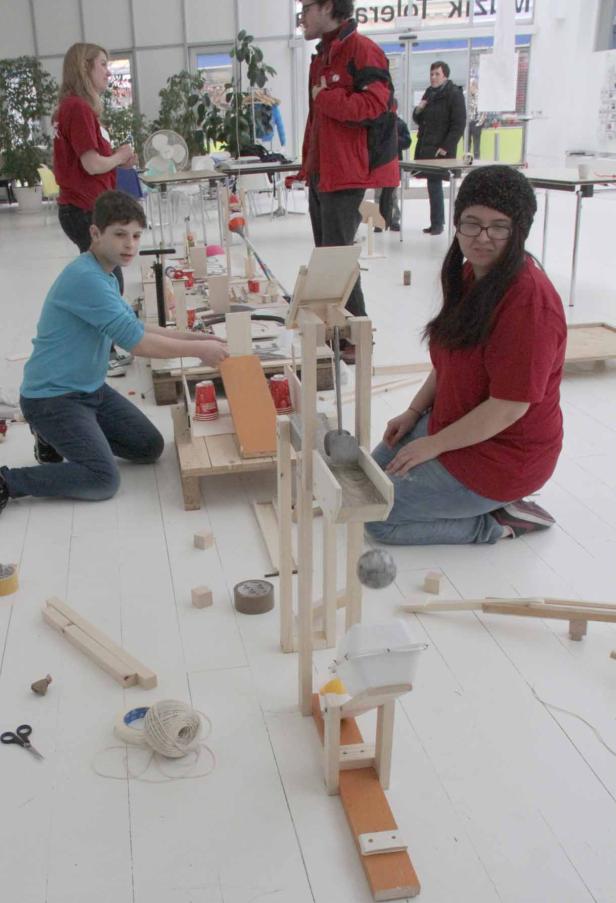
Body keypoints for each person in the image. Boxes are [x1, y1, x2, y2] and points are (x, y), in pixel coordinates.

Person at [365, 166, 567, 546]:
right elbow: (449, 360)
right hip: (455, 424)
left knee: (377, 518)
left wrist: (433, 444)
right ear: (457, 224)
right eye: (472, 224)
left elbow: (508, 408)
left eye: (499, 226)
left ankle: (500, 521)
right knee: (366, 484)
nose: (482, 238)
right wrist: (413, 412)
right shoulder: (471, 275)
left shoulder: (528, 303)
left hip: (504, 456)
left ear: (518, 230)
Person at [0, 191, 228, 516]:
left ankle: (60, 437)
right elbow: (137, 343)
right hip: (52, 399)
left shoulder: (104, 274)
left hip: (91, 390)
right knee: (102, 480)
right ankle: (9, 481)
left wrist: (196, 337)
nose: (130, 245)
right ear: (95, 233)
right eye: (120, 235)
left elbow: (136, 326)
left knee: (148, 446)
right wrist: (199, 351)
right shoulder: (86, 279)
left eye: (135, 236)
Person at [292, 0, 399, 364]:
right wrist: (308, 165)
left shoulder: (362, 49)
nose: (302, 17)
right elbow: (317, 122)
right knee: (328, 257)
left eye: (305, 8)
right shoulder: (323, 55)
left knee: (338, 258)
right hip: (324, 172)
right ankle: (339, 329)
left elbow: (375, 106)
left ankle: (357, 336)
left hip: (348, 174)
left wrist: (328, 97)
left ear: (327, 6)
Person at [53, 43, 137, 295]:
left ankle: (105, 332)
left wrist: (116, 160)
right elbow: (91, 165)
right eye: (103, 65)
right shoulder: (77, 108)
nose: (108, 73)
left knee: (104, 281)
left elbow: (87, 160)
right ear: (84, 67)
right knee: (109, 285)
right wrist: (119, 155)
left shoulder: (71, 107)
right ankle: (110, 332)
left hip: (83, 207)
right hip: (83, 208)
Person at [413, 61, 466, 236]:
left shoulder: (454, 94)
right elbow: (420, 119)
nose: (433, 77)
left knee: (436, 184)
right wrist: (418, 110)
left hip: (441, 149)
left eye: (437, 74)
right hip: (427, 146)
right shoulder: (430, 93)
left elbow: (458, 124)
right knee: (432, 184)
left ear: (445, 75)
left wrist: (446, 146)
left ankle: (441, 223)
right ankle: (436, 222)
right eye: (431, 74)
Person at [375, 111, 411, 232]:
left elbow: (407, 142)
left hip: (393, 163)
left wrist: (394, 139)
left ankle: (394, 220)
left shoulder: (400, 124)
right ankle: (379, 221)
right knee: (378, 194)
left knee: (392, 194)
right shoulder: (376, 123)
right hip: (379, 164)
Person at [467, 78, 486, 159]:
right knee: (467, 145)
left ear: (474, 86)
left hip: (477, 123)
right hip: (468, 123)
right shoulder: (466, 96)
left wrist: (479, 124)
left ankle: (476, 161)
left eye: (470, 86)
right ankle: (467, 162)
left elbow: (484, 113)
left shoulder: (481, 96)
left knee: (476, 145)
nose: (469, 88)